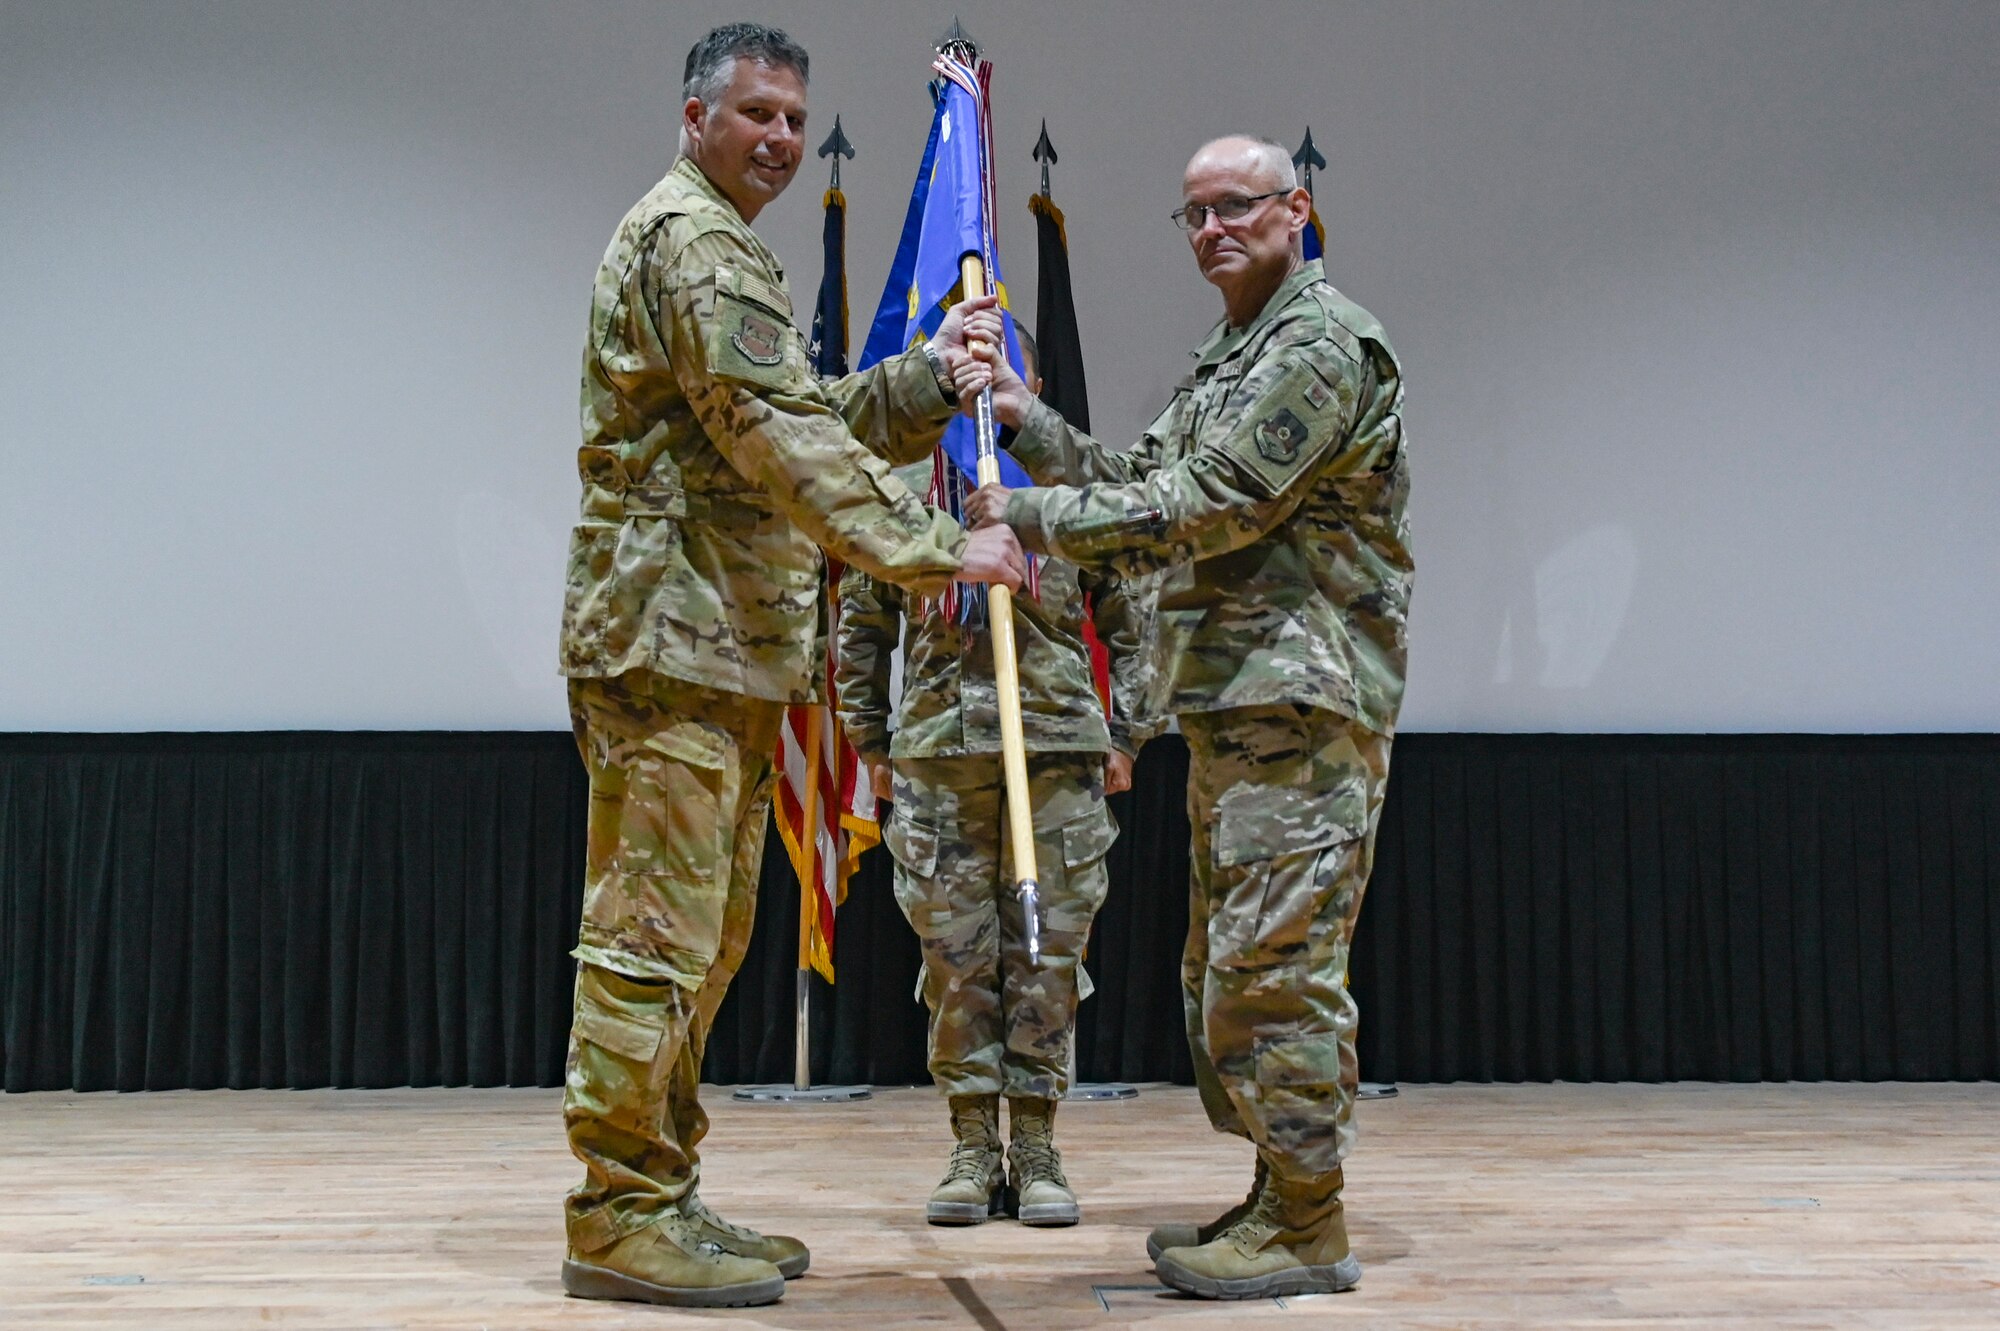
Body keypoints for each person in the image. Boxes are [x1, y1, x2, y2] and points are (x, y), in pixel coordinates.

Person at [556, 22, 1022, 1310]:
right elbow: (780, 443)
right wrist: (944, 549)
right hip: (673, 643)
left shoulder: (724, 248)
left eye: (792, 122)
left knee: (702, 940)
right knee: (652, 940)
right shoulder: (697, 244)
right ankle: (616, 1209)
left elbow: (795, 417)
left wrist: (928, 379)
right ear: (693, 115)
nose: (775, 138)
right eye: (753, 113)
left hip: (716, 646)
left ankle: (657, 1188)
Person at [963, 134, 1413, 1300]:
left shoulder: (1318, 346)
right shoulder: (1233, 352)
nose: (1211, 229)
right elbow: (1136, 470)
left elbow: (1204, 503)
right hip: (1239, 706)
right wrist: (1023, 415)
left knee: (1277, 973)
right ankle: (1278, 1192)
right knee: (1231, 969)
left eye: (1234, 207)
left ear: (1294, 209)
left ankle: (1306, 1221)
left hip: (1300, 708)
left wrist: (1028, 510)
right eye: (1193, 215)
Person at [834, 330, 1157, 1230]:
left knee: (1048, 956)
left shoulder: (1068, 492)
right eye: (963, 371)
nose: (975, 387)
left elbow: (1131, 613)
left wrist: (1126, 734)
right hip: (938, 753)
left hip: (1054, 751)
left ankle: (1041, 1143)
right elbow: (859, 619)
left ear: (1029, 383)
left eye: (996, 371)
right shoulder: (902, 497)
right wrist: (870, 741)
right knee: (957, 959)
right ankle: (974, 1143)